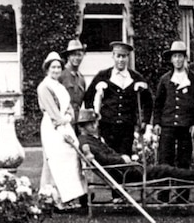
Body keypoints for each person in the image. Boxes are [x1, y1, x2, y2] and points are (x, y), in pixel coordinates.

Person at [76, 109, 194, 187]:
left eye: (94, 123)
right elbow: (103, 159)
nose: (95, 126)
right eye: (91, 124)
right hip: (124, 173)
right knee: (166, 170)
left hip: (126, 169)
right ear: (82, 126)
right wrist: (121, 158)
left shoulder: (90, 139)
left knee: (165, 169)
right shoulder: (86, 143)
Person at [152, 40, 194, 203]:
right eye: (175, 56)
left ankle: (182, 198)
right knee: (164, 161)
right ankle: (163, 197)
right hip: (167, 126)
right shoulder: (165, 79)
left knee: (184, 162)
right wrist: (156, 123)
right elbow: (158, 104)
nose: (178, 60)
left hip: (187, 127)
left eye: (181, 56)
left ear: (185, 59)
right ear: (171, 59)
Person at [83, 41, 153, 155]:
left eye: (124, 56)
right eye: (118, 56)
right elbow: (88, 97)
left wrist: (145, 120)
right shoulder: (103, 75)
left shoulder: (136, 77)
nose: (121, 60)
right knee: (109, 156)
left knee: (125, 157)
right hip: (107, 126)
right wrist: (93, 119)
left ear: (128, 57)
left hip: (127, 126)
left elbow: (148, 100)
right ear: (113, 56)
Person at [37, 51, 86, 209]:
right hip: (53, 128)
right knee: (56, 160)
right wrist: (62, 123)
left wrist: (69, 119)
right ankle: (53, 199)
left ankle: (68, 198)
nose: (56, 70)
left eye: (58, 67)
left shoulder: (59, 86)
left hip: (65, 124)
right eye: (53, 67)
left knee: (70, 159)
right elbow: (53, 113)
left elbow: (70, 107)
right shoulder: (44, 87)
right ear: (47, 69)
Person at [59, 39, 87, 125]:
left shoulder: (81, 79)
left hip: (76, 120)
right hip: (62, 118)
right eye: (73, 55)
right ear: (68, 57)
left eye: (79, 55)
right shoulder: (61, 74)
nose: (77, 58)